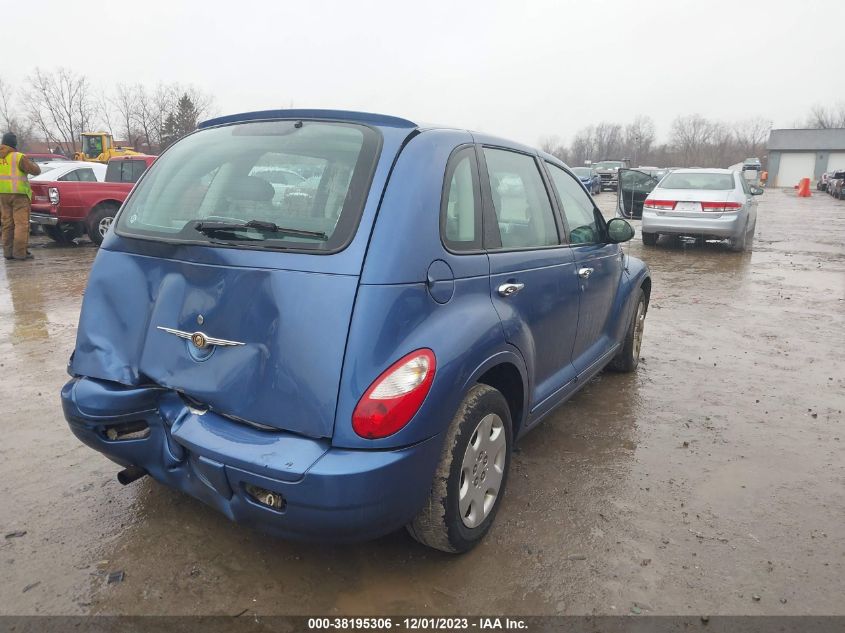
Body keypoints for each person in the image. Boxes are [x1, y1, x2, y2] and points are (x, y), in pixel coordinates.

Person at [1, 132, 41, 260]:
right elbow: (35, 171)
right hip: (19, 195)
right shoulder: (18, 157)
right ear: (14, 143)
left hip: (2, 195)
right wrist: (33, 163)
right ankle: (19, 253)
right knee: (21, 224)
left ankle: (7, 253)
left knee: (7, 224)